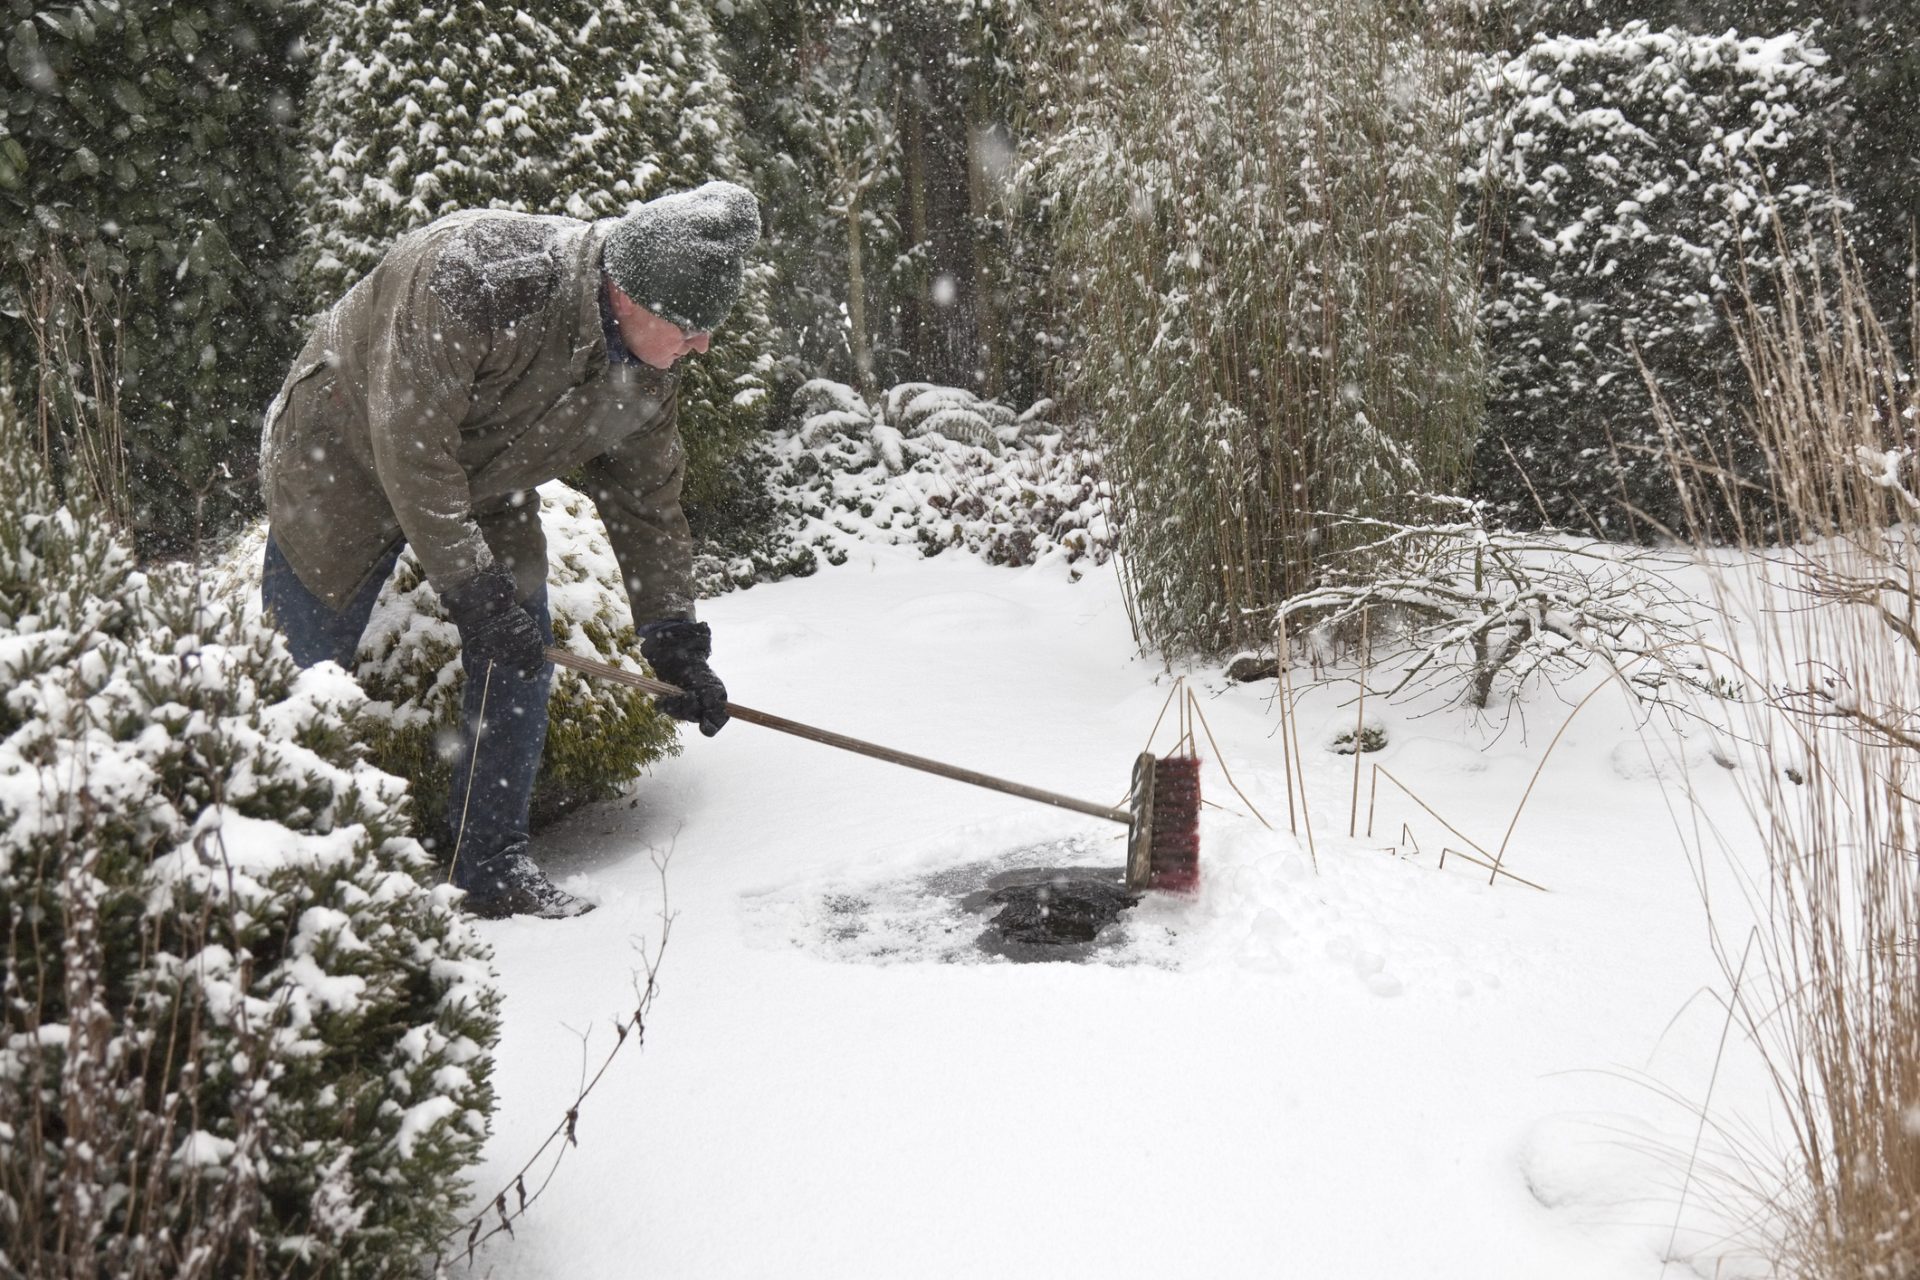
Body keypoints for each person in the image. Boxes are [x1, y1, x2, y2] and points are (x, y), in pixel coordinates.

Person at [259, 181, 760, 919]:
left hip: (487, 472)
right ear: (628, 293)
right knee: (301, 671)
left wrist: (673, 638)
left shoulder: (649, 374)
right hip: (343, 455)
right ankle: (279, 869)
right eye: (689, 327)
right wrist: (470, 586)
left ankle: (487, 865)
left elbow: (647, 503)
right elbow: (412, 446)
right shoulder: (480, 278)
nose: (703, 345)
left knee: (518, 650)